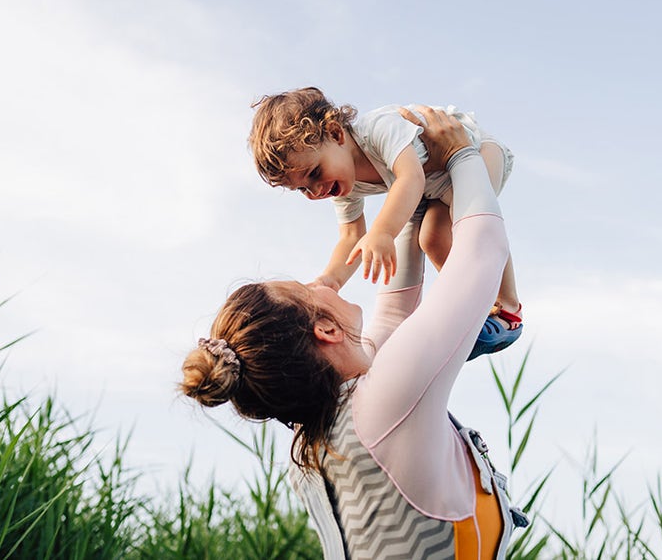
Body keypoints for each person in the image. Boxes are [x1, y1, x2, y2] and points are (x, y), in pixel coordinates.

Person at [182, 108, 527, 559]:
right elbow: (481, 254)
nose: (321, 282)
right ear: (324, 329)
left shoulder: (325, 435)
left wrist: (413, 195)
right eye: (307, 289)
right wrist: (462, 155)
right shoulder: (384, 404)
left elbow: (396, 309)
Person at [249, 87, 522, 359]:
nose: (315, 190)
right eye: (302, 189)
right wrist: (329, 280)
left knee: (467, 225)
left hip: (476, 150)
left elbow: (410, 178)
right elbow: (351, 236)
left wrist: (383, 232)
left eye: (314, 173)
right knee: (432, 238)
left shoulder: (378, 128)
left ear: (335, 133)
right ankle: (477, 309)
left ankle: (509, 307)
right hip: (441, 184)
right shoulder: (343, 184)